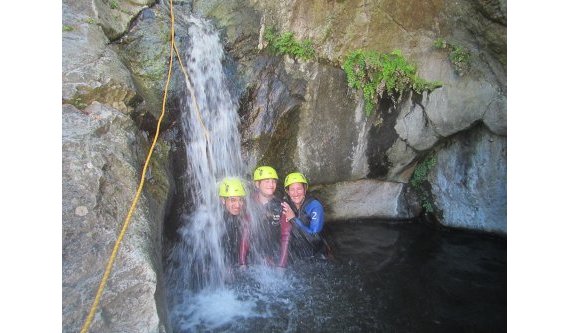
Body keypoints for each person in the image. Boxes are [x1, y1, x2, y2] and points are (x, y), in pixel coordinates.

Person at [281, 172, 331, 259]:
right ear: (287, 192)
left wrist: (293, 219)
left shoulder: (315, 206)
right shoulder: (287, 205)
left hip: (316, 255)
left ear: (305, 189)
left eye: (299, 189)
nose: (296, 193)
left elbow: (315, 238)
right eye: (292, 190)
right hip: (296, 254)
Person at [251, 166, 291, 268]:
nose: (271, 184)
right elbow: (246, 233)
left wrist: (281, 266)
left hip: (274, 256)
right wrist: (242, 262)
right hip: (254, 255)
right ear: (257, 184)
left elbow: (285, 236)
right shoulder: (249, 203)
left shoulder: (282, 206)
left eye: (274, 181)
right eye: (267, 181)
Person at [219, 177, 250, 269]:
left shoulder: (245, 217)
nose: (238, 205)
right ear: (223, 200)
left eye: (240, 200)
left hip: (240, 261)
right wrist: (224, 266)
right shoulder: (214, 221)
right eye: (233, 200)